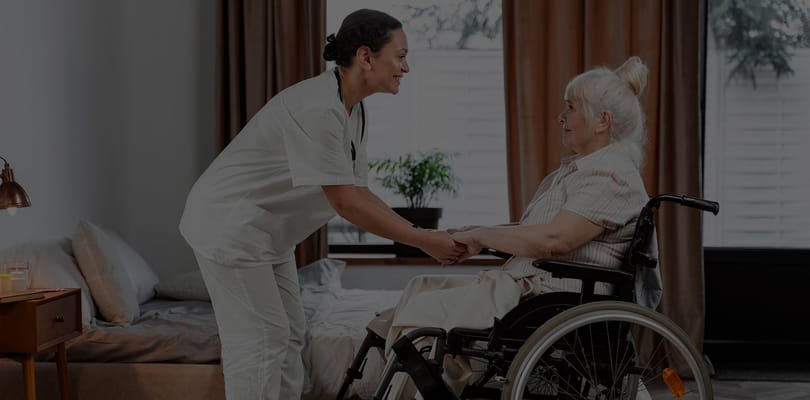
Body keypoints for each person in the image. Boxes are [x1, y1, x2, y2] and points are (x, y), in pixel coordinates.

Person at [178, 9, 465, 400]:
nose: (406, 67)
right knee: (261, 340)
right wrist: (423, 242)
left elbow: (360, 192)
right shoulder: (318, 108)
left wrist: (423, 235)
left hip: (267, 234)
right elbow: (347, 203)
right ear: (366, 56)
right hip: (230, 225)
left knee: (291, 332)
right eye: (400, 56)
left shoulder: (352, 108)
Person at [377, 55, 662, 396]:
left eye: (570, 108)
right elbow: (538, 228)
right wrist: (477, 234)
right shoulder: (586, 170)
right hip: (536, 289)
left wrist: (481, 235)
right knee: (420, 286)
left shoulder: (610, 175)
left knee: (419, 315)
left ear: (602, 121)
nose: (562, 118)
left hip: (550, 297)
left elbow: (555, 238)